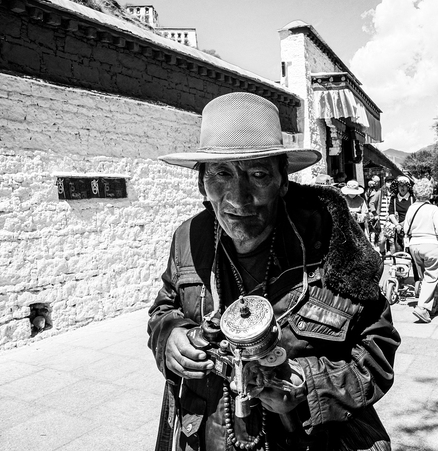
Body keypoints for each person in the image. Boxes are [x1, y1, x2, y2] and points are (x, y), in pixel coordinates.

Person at [148, 92, 400, 451]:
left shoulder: (334, 246)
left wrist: (309, 385)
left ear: (284, 181)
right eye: (221, 174)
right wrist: (170, 337)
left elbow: (377, 351)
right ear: (201, 182)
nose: (237, 198)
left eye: (258, 174)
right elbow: (163, 311)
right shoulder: (189, 239)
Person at [403, 178, 438, 323]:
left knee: (425, 277)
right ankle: (422, 307)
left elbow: (406, 229)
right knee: (432, 276)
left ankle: (433, 304)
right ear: (430, 193)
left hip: (414, 246)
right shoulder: (434, 209)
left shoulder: (411, 208)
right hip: (430, 245)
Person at [388, 176, 415, 252]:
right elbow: (391, 213)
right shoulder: (393, 198)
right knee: (399, 253)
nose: (402, 188)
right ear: (397, 186)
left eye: (405, 185)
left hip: (411, 230)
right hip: (399, 231)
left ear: (408, 187)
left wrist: (404, 223)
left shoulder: (413, 198)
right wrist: (397, 225)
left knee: (411, 253)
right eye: (400, 185)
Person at [370, 176, 394, 256]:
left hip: (392, 219)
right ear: (385, 182)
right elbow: (371, 202)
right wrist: (375, 214)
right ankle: (383, 253)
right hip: (382, 220)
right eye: (388, 182)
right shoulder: (380, 192)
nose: (389, 184)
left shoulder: (395, 192)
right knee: (381, 241)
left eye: (391, 182)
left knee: (391, 241)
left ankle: (393, 259)